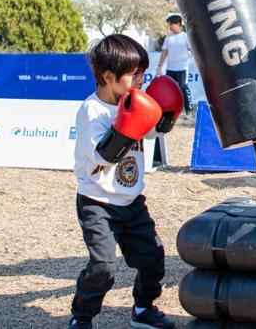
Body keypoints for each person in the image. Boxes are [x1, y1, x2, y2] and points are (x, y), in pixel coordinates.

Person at [70, 34, 180, 329]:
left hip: (131, 201)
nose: (141, 80)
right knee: (103, 268)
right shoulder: (91, 111)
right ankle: (81, 317)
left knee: (152, 258)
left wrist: (166, 114)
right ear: (109, 76)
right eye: (135, 74)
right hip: (97, 202)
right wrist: (131, 123)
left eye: (142, 73)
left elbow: (155, 131)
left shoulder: (135, 102)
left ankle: (143, 309)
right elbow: (103, 157)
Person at [157, 15, 193, 118]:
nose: (170, 27)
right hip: (170, 69)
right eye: (169, 24)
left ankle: (189, 111)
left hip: (182, 69)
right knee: (169, 90)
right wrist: (160, 66)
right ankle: (168, 112)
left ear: (178, 24)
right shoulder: (168, 38)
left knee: (183, 87)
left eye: (172, 24)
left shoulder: (186, 36)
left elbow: (192, 50)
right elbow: (164, 52)